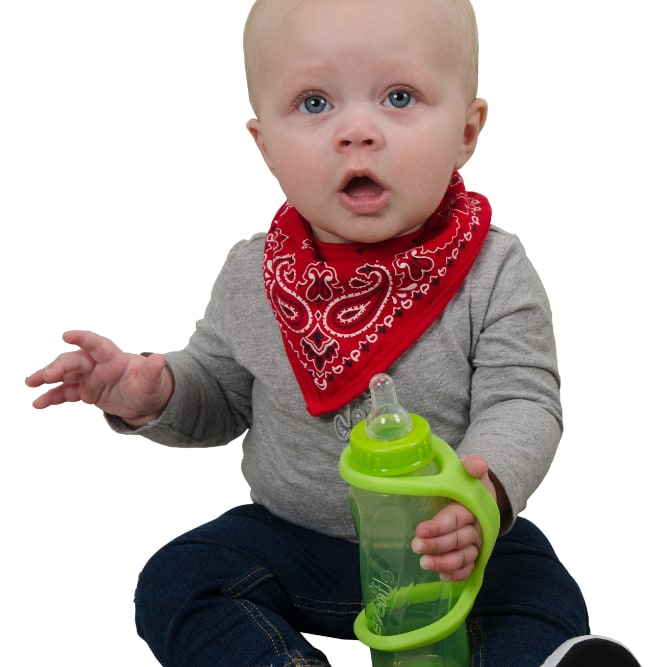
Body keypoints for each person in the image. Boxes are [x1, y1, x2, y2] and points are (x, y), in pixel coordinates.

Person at [25, 1, 641, 665]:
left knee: (535, 582)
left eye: (398, 96)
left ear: (467, 130)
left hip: (449, 545)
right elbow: (223, 393)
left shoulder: (493, 270)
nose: (356, 131)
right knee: (180, 575)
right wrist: (155, 391)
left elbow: (523, 399)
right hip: (295, 542)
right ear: (264, 146)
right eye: (314, 103)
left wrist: (480, 497)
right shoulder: (251, 273)